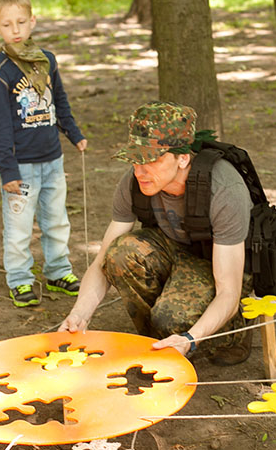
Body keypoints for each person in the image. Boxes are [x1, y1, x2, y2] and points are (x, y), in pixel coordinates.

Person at [58, 102, 252, 365]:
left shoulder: (224, 189)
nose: (140, 171)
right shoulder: (134, 181)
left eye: (152, 160)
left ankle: (229, 334)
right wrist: (79, 314)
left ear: (183, 158)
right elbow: (102, 261)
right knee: (119, 253)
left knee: (173, 319)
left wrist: (190, 337)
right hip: (174, 249)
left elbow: (228, 289)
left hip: (220, 262)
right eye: (135, 160)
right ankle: (159, 341)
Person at [0, 0, 87, 307]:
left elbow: (60, 102)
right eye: (7, 24)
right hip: (21, 166)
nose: (16, 30)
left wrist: (74, 133)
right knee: (19, 227)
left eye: (21, 22)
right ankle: (20, 279)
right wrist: (7, 171)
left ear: (33, 22)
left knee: (56, 219)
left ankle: (57, 270)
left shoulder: (46, 62)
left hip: (52, 160)